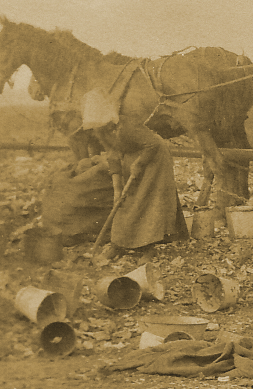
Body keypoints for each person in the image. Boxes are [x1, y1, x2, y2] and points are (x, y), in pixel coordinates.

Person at [81, 89, 189, 261]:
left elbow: (153, 145)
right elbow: (112, 156)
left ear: (109, 118)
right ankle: (118, 244)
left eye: (102, 125)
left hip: (155, 158)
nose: (99, 130)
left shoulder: (127, 126)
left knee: (147, 200)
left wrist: (139, 164)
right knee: (124, 200)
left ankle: (148, 247)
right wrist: (117, 188)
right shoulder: (101, 131)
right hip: (133, 156)